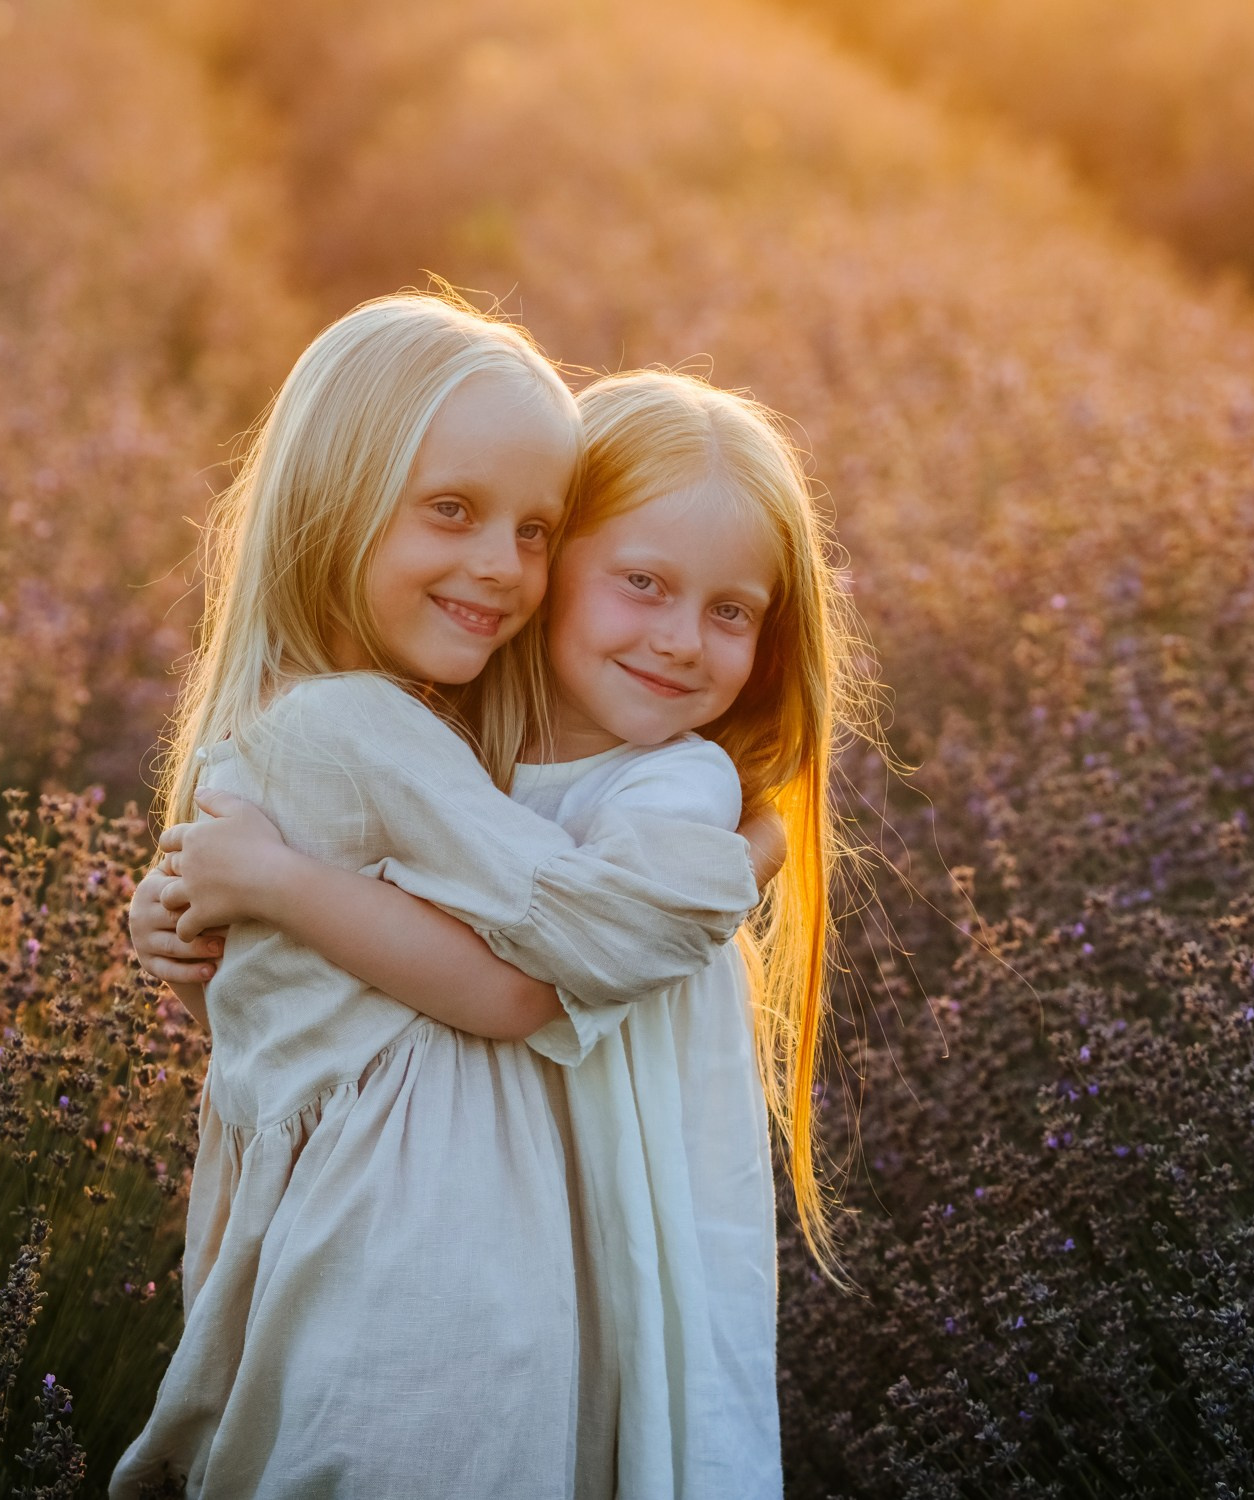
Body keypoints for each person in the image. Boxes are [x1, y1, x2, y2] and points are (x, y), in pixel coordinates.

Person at [144, 368, 862, 1498]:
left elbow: (548, 966)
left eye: (730, 611)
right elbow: (320, 1012)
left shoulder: (673, 791)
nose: (681, 640)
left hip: (585, 1247)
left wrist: (741, 856)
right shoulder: (440, 749)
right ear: (556, 571)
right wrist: (194, 922)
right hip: (446, 1237)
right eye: (641, 584)